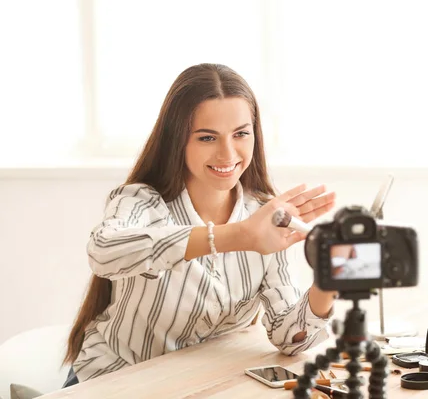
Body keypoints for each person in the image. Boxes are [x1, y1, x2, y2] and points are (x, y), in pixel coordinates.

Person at [61, 63, 337, 386]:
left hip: (197, 386)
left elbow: (289, 338)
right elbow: (103, 251)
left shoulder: (262, 214)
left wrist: (328, 279)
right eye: (207, 137)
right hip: (111, 381)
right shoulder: (141, 201)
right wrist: (238, 236)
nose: (227, 153)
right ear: (178, 140)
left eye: (241, 134)